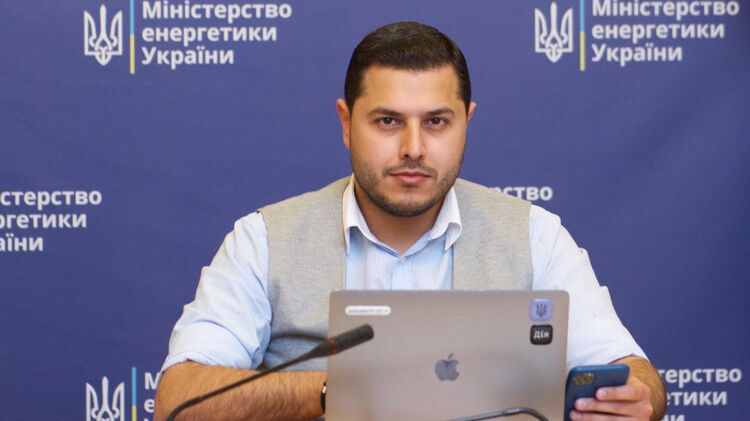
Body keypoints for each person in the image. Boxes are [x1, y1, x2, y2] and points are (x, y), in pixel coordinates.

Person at [154, 22, 666, 421]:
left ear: (467, 122)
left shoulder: (535, 236)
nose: (413, 148)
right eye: (388, 121)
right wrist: (338, 390)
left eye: (436, 122)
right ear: (346, 123)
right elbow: (179, 401)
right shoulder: (264, 240)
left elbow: (634, 374)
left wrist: (635, 395)